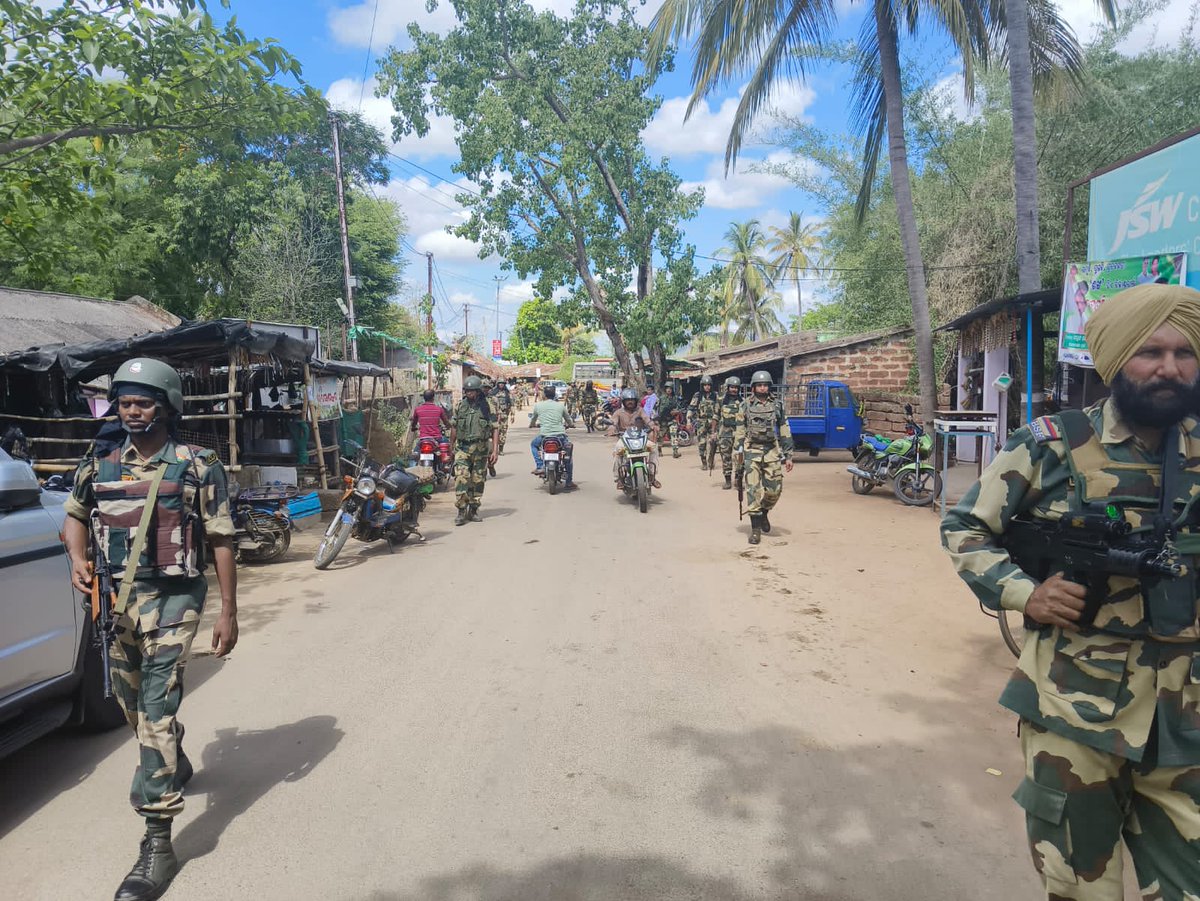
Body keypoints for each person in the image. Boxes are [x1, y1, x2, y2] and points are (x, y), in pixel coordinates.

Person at [941, 283, 1200, 899]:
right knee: (1082, 887)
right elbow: (966, 526)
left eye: (1184, 353)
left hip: (1186, 717)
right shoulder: (1050, 444)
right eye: (1150, 352)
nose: (1169, 368)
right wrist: (1023, 593)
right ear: (1116, 362)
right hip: (1073, 708)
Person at [60, 358, 238, 901]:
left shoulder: (195, 464)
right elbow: (74, 513)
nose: (132, 412)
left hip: (175, 602)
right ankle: (174, 754)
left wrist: (229, 610)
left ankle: (158, 843)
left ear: (166, 406)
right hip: (117, 604)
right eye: (125, 403)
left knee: (154, 713)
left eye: (143, 402)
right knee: (133, 709)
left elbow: (222, 535)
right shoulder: (101, 460)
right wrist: (77, 558)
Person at [734, 371, 793, 545]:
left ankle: (764, 512)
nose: (763, 387)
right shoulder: (745, 405)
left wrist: (788, 454)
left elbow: (784, 429)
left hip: (771, 452)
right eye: (760, 385)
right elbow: (739, 432)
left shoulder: (777, 405)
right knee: (753, 491)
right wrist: (737, 457)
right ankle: (755, 530)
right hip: (751, 451)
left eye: (766, 385)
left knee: (774, 490)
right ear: (753, 387)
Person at [450, 375, 499, 525]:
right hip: (462, 448)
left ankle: (474, 509)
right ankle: (461, 510)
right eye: (467, 391)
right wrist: (451, 448)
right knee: (461, 478)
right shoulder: (459, 406)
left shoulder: (487, 406)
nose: (469, 393)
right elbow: (454, 426)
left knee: (477, 481)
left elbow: (495, 429)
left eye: (472, 391)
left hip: (481, 449)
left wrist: (495, 450)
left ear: (478, 391)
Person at [607, 387, 661, 488]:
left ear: (636, 401)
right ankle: (619, 478)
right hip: (624, 438)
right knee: (617, 452)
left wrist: (653, 426)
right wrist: (611, 428)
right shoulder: (618, 412)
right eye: (628, 400)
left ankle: (652, 475)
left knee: (653, 448)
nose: (630, 402)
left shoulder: (640, 410)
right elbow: (613, 422)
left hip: (640, 437)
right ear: (624, 401)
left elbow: (647, 419)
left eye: (632, 400)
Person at [530, 385, 576, 489]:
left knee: (533, 445)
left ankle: (540, 465)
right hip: (560, 436)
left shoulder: (538, 406)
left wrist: (532, 424)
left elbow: (533, 419)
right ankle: (569, 481)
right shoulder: (560, 406)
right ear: (554, 394)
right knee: (568, 456)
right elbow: (568, 419)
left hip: (544, 436)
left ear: (544, 395)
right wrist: (571, 424)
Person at [716, 376, 742, 489]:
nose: (734, 390)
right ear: (728, 388)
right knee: (726, 458)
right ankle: (727, 481)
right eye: (732, 387)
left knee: (739, 458)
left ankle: (738, 479)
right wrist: (713, 432)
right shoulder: (721, 400)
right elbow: (715, 416)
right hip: (724, 434)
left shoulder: (742, 402)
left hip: (738, 435)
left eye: (736, 387)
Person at [689, 375, 719, 470]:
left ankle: (711, 460)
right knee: (702, 443)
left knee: (713, 443)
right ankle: (704, 462)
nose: (707, 387)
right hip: (701, 422)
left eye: (709, 385)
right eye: (705, 385)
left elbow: (720, 409)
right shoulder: (697, 395)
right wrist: (688, 421)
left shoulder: (716, 395)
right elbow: (691, 408)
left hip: (713, 422)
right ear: (702, 385)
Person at [410, 389, 451, 454]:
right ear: (433, 398)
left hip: (423, 439)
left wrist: (413, 427)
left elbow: (414, 423)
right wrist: (448, 426)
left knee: (414, 456)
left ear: (424, 398)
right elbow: (446, 422)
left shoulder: (418, 410)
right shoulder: (439, 409)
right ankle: (447, 464)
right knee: (448, 446)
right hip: (437, 438)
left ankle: (412, 464)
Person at [655, 383, 682, 459]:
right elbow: (656, 408)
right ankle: (659, 450)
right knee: (660, 436)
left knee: (674, 434)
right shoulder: (661, 398)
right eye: (667, 388)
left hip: (671, 419)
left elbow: (679, 408)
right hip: (662, 420)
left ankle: (675, 451)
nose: (669, 390)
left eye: (670, 388)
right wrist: (656, 419)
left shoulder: (675, 398)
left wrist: (676, 411)